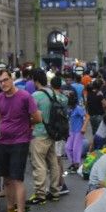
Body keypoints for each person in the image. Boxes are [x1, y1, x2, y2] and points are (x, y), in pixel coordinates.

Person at [0, 69, 41, 212]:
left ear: (11, 79)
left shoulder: (25, 97)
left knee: (17, 180)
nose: (3, 84)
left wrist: (25, 127)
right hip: (3, 142)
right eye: (0, 82)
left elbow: (37, 118)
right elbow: (0, 118)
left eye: (5, 80)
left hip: (20, 142)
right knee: (6, 180)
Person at [29, 72, 66, 204]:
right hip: (52, 133)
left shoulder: (35, 96)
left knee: (39, 163)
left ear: (36, 81)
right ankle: (55, 191)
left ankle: (40, 194)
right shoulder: (53, 93)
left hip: (39, 133)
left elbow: (31, 114)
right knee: (53, 162)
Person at [66, 92, 87, 173]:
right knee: (67, 147)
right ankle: (73, 163)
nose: (69, 106)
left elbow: (86, 117)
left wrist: (84, 127)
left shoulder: (78, 109)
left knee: (76, 149)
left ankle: (76, 165)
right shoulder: (71, 109)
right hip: (72, 131)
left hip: (79, 131)